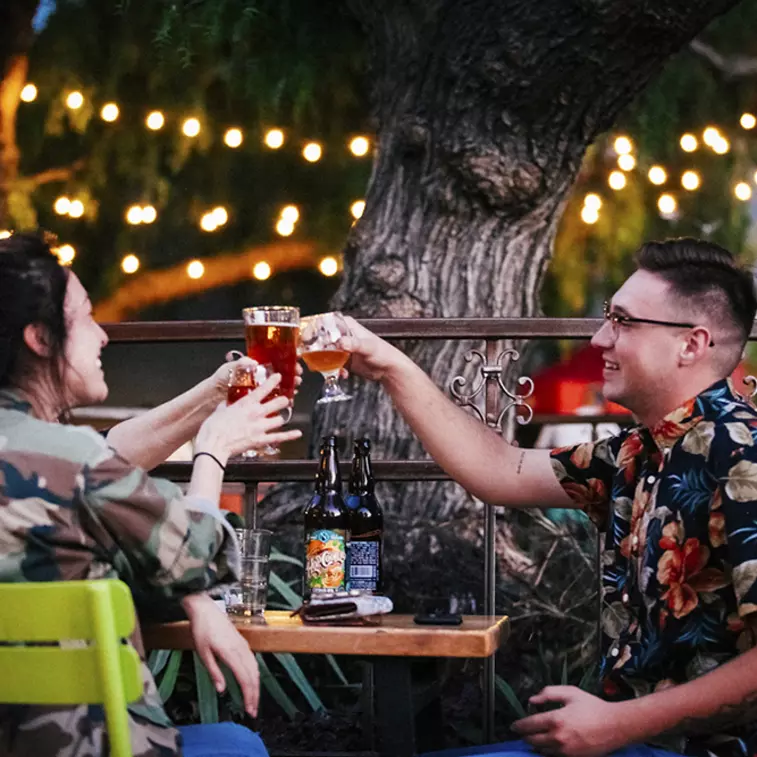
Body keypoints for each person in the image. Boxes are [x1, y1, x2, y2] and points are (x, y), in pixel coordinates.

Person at [340, 237, 757, 757]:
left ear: (691, 344)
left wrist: (617, 725)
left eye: (623, 321)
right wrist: (389, 367)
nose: (601, 338)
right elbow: (503, 469)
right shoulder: (640, 450)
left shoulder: (743, 454)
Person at [0, 232, 302, 757]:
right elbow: (197, 552)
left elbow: (100, 464)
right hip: (88, 745)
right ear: (39, 339)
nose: (103, 337)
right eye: (87, 317)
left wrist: (213, 393)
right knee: (238, 745)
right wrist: (212, 451)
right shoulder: (71, 461)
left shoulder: (63, 457)